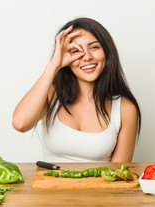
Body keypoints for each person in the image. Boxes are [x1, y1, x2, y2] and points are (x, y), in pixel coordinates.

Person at [12, 17, 141, 162]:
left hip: (101, 185)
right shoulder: (51, 94)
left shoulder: (125, 109)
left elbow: (118, 175)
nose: (87, 57)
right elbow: (20, 123)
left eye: (94, 47)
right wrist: (54, 66)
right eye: (75, 51)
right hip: (49, 184)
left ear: (107, 51)